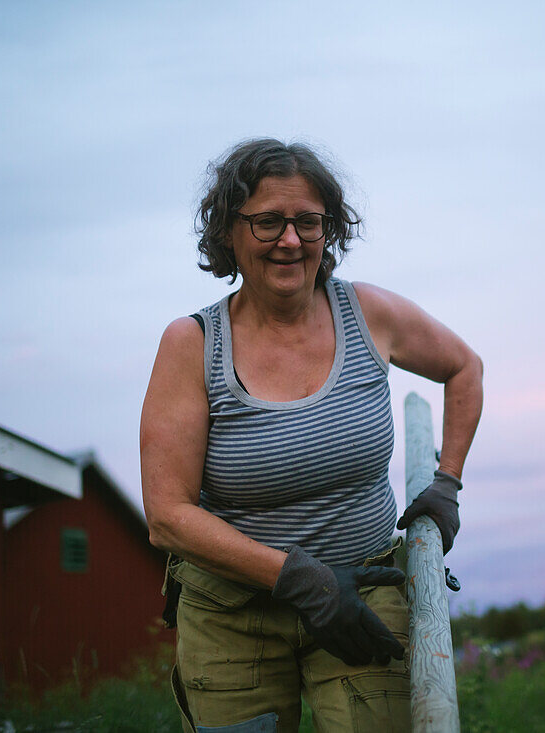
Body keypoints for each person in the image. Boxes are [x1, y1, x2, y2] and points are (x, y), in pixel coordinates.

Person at [140, 138, 483, 733]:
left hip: (365, 594)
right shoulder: (191, 345)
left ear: (330, 230)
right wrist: (300, 580)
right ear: (228, 230)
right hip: (233, 614)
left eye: (309, 221)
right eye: (268, 221)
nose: (291, 240)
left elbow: (464, 368)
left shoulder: (368, 313)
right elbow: (167, 515)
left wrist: (447, 482)